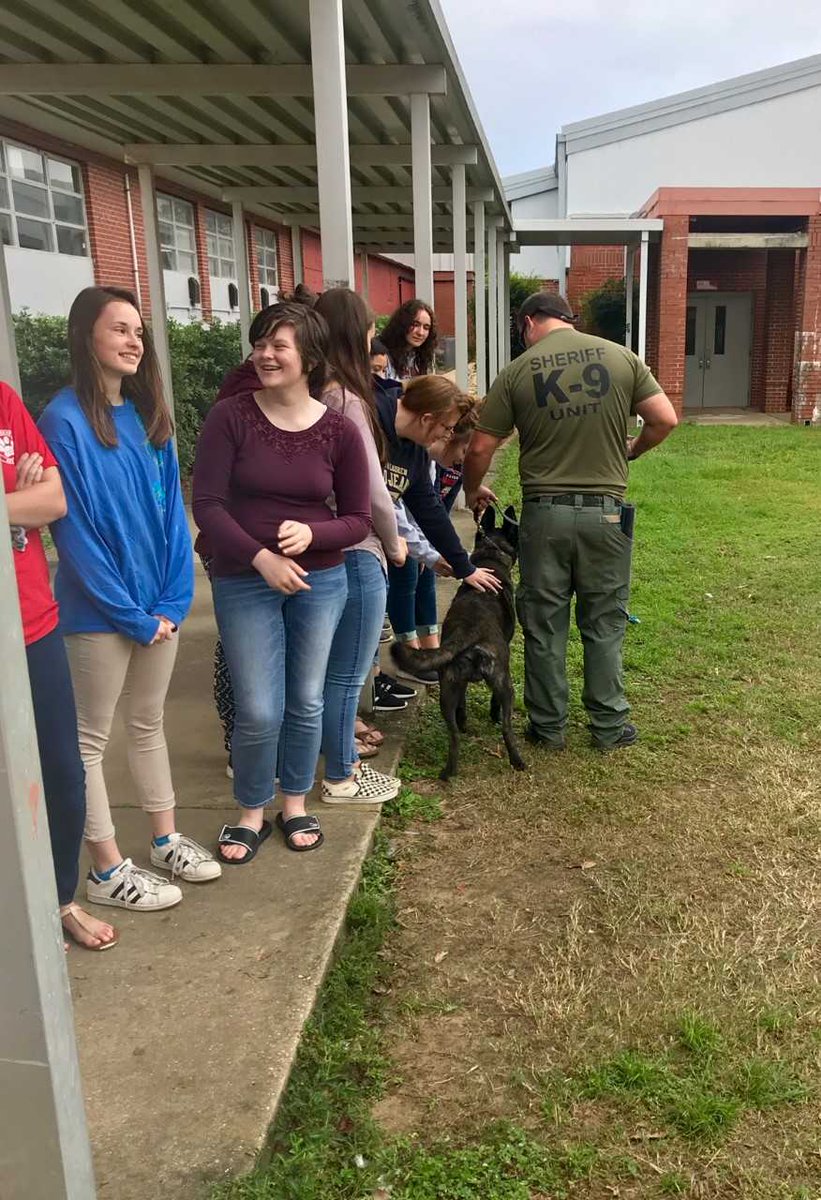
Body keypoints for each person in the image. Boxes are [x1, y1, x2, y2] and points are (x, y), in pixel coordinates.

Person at [38, 286, 217, 913]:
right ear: (87, 336)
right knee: (89, 742)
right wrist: (133, 616)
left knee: (148, 724)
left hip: (158, 610)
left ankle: (165, 837)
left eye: (139, 330)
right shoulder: (62, 420)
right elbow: (76, 533)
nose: (134, 340)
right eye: (119, 328)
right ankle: (107, 869)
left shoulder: (150, 416)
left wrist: (172, 601)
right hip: (98, 614)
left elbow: (174, 519)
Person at [192, 302, 371, 861]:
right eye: (260, 344)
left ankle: (294, 803)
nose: (265, 355)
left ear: (309, 357)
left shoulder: (339, 429)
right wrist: (260, 556)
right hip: (243, 578)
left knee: (306, 700)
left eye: (279, 346)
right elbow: (208, 505)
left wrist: (313, 534)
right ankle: (250, 810)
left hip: (322, 582)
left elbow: (358, 520)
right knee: (259, 706)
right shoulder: (231, 415)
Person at [462, 291, 678, 750]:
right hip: (607, 513)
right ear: (569, 319)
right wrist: (632, 450)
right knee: (604, 621)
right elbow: (664, 419)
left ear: (528, 323)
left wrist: (471, 490)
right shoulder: (622, 359)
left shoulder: (518, 371)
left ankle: (547, 726)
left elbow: (480, 447)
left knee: (544, 623)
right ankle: (608, 726)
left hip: (544, 514)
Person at [2, 380, 118, 950]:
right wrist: (14, 510)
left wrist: (22, 508)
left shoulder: (2, 399)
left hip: (32, 622)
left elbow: (54, 500)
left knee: (62, 774)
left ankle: (60, 900)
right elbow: (32, 504)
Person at [313, 288, 407, 803]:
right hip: (357, 548)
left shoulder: (312, 393)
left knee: (327, 668)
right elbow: (372, 489)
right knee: (349, 669)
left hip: (320, 546)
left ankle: (335, 763)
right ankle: (342, 776)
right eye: (370, 326)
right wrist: (393, 544)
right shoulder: (346, 400)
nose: (376, 334)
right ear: (354, 333)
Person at [372, 373, 501, 709]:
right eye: (447, 429)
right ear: (428, 419)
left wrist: (463, 566)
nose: (448, 434)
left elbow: (428, 510)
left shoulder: (414, 454)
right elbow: (385, 506)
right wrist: (405, 544)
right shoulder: (371, 424)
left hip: (375, 548)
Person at [387, 403, 480, 684]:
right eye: (463, 452)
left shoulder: (426, 460)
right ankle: (408, 653)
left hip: (409, 535)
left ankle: (428, 649)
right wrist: (427, 552)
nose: (463, 462)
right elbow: (396, 508)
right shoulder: (408, 451)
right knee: (404, 582)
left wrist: (431, 553)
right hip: (388, 536)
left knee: (423, 577)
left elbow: (428, 509)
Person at [379, 299, 438, 380]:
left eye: (426, 327)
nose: (420, 332)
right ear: (402, 324)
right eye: (415, 324)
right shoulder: (382, 355)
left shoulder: (420, 357)